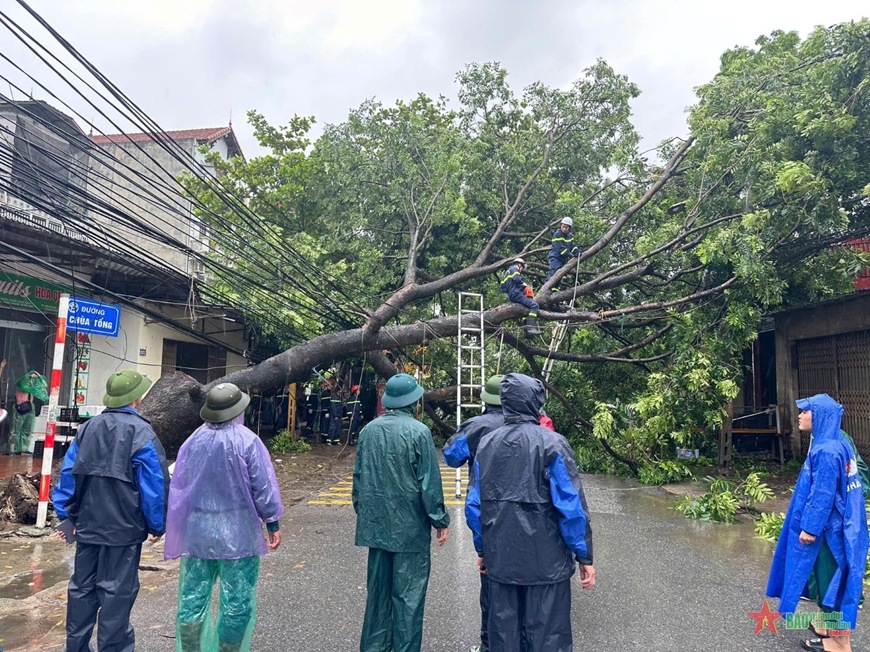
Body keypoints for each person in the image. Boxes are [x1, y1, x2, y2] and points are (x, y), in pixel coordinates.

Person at [466, 373, 594, 652]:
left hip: (501, 560)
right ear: (536, 404)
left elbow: (475, 505)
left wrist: (483, 549)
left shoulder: (487, 445)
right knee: (549, 639)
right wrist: (584, 555)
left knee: (504, 638)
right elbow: (571, 508)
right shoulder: (554, 444)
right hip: (548, 565)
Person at [52, 369, 170, 652]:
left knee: (81, 591)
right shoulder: (142, 432)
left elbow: (68, 474)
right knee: (117, 594)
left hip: (87, 527)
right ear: (136, 399)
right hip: (124, 530)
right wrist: (157, 525)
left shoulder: (87, 429)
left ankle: (76, 648)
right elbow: (154, 483)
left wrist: (66, 516)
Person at [165, 383, 284, 652]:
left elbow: (179, 485)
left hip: (198, 531)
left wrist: (176, 525)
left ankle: (191, 649)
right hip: (238, 532)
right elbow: (263, 486)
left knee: (192, 596)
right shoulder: (247, 441)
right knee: (237, 598)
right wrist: (272, 522)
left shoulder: (193, 441)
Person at [352, 373, 450, 652]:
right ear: (413, 402)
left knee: (378, 598)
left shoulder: (368, 431)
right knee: (408, 600)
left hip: (376, 528)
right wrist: (439, 520)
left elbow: (359, 479)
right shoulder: (419, 433)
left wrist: (366, 514)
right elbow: (429, 484)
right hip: (411, 531)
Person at [767, 394, 869, 652]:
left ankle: (840, 643)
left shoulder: (826, 450)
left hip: (830, 530)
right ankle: (831, 631)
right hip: (843, 526)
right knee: (833, 582)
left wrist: (810, 528)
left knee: (831, 583)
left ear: (819, 416)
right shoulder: (836, 443)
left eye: (805, 411)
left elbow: (823, 494)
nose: (799, 416)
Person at [443, 374, 506, 652]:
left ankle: (488, 646)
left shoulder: (477, 426)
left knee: (491, 588)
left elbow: (451, 456)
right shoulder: (537, 426)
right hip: (531, 522)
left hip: (489, 517)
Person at [7, 369, 48, 455]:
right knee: (15, 430)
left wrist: (38, 375)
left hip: (30, 407)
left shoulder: (33, 386)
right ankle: (12, 449)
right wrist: (29, 376)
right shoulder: (21, 384)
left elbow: (44, 385)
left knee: (27, 429)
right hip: (20, 406)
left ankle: (24, 448)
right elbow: (24, 383)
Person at [499, 258, 541, 338]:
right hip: (516, 294)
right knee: (534, 305)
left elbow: (502, 286)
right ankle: (531, 328)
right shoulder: (514, 269)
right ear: (519, 265)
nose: (521, 270)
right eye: (522, 268)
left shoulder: (507, 272)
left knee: (526, 307)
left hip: (512, 294)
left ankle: (527, 332)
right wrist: (525, 285)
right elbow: (517, 280)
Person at [547, 217, 580, 289]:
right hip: (555, 257)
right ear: (561, 226)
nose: (564, 229)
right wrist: (570, 254)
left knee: (560, 274)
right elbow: (560, 249)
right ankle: (548, 288)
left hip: (562, 259)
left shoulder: (570, 236)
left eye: (566, 227)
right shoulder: (557, 235)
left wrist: (576, 251)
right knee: (553, 271)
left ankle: (555, 288)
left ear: (569, 228)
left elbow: (572, 245)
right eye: (563, 227)